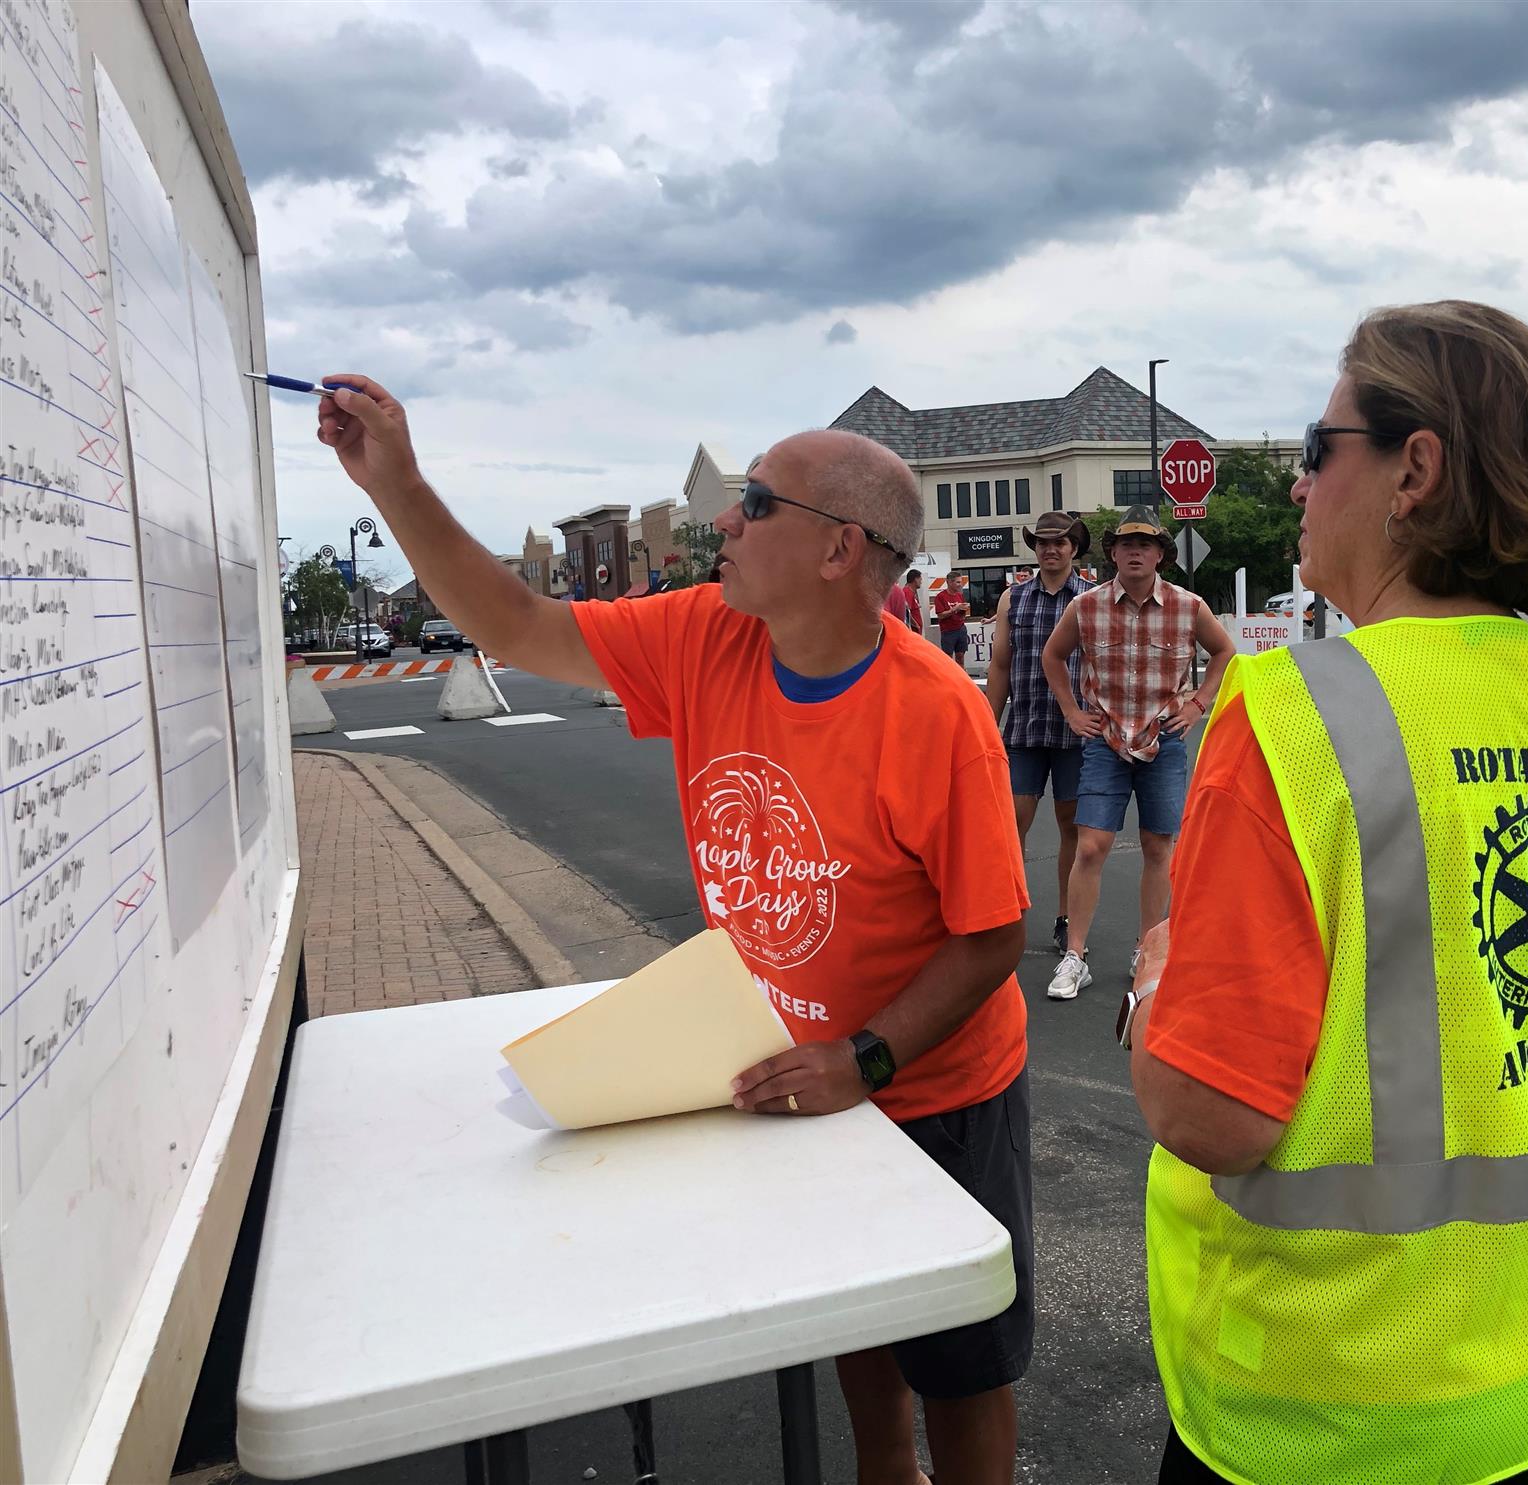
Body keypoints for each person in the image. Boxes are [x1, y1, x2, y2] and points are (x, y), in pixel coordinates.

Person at [314, 379, 1033, 1485]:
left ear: (841, 551)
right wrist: (395, 484)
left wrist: (866, 1057)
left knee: (962, 1357)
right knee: (854, 1324)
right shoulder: (707, 635)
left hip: (936, 1086)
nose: (724, 524)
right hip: (800, 1069)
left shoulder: (937, 713)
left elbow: (991, 940)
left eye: (756, 503)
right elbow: (515, 625)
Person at [1121, 301, 1528, 1485]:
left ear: (1413, 471)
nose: (1294, 487)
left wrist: (1155, 979)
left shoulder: (1290, 715)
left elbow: (1208, 1113)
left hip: (1322, 1400)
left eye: (1313, 449)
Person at [1038, 507, 1234, 999]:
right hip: (1105, 742)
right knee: (1090, 846)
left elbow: (1225, 653)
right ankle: (1075, 956)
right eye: (1126, 545)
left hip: (1163, 741)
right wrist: (1071, 711)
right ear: (1113, 554)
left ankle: (1147, 952)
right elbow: (1053, 656)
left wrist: (1197, 706)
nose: (1135, 552)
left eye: (1145, 545)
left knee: (1157, 849)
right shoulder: (1087, 607)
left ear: (1160, 555)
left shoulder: (1189, 606)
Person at [986, 511, 1094, 954]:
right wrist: (986, 725)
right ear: (1035, 548)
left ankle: (1066, 917)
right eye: (1044, 543)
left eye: (1061, 542)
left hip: (1075, 728)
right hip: (1025, 727)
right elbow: (1000, 665)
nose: (1051, 550)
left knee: (1072, 826)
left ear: (1074, 548)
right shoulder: (1013, 599)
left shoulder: (1092, 598)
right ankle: (1007, 913)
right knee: (1013, 821)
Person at [933, 571, 973, 665]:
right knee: (948, 660)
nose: (960, 585)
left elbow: (962, 615)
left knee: (961, 656)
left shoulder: (959, 595)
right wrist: (954, 609)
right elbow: (940, 615)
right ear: (949, 582)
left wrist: (963, 610)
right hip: (948, 631)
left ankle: (961, 677)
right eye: (958, 582)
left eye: (961, 582)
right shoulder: (940, 597)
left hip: (961, 629)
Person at [885, 567, 924, 635]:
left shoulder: (912, 593)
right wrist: (916, 624)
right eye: (920, 579)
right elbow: (907, 612)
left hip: (916, 631)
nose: (921, 582)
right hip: (913, 631)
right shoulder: (907, 592)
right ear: (915, 579)